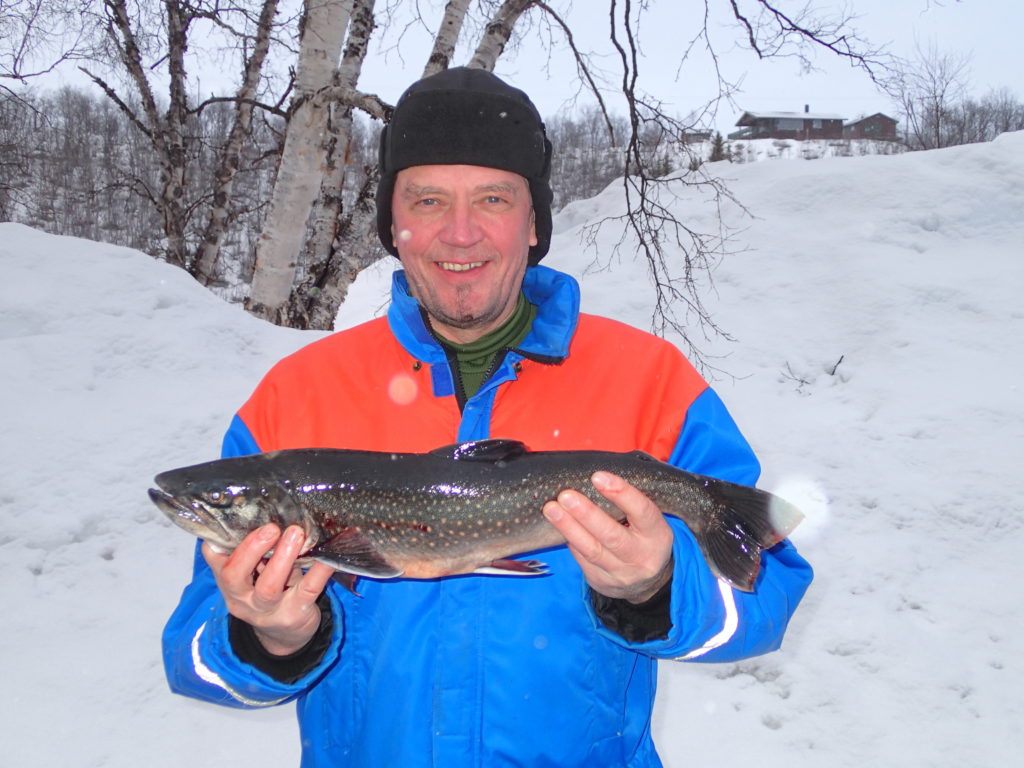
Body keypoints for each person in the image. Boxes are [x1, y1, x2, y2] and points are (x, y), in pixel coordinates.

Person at [162, 67, 812, 767]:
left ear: (534, 223)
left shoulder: (652, 384)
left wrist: (658, 586)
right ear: (394, 224)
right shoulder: (294, 399)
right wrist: (269, 638)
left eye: (493, 198)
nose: (461, 233)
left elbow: (768, 596)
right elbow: (194, 659)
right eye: (429, 199)